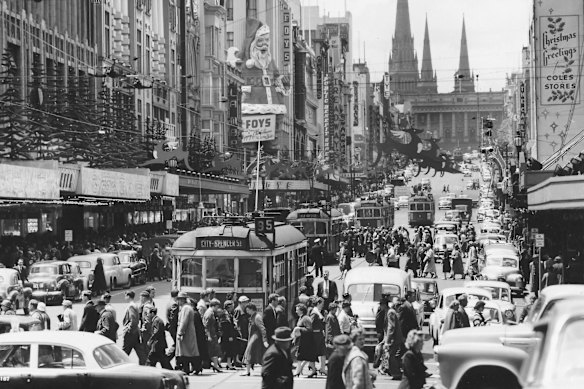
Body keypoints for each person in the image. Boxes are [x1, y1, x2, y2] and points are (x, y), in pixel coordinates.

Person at [176, 292, 200, 374]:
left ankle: (190, 368)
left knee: (186, 352)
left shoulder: (185, 308)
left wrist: (180, 333)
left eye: (179, 300)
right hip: (189, 332)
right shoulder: (188, 308)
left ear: (182, 300)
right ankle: (194, 368)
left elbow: (183, 321)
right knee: (189, 352)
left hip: (186, 334)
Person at [242, 303, 268, 376]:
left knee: (249, 353)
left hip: (255, 338)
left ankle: (248, 371)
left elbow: (262, 329)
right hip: (253, 337)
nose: (247, 311)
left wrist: (265, 340)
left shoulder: (257, 317)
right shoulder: (253, 316)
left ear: (251, 309)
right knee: (253, 354)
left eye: (248, 310)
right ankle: (248, 370)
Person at [293, 303, 317, 378]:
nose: (296, 311)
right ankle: (314, 371)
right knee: (310, 357)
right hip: (302, 340)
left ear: (302, 310)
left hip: (307, 341)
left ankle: (297, 371)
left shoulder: (306, 318)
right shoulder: (300, 318)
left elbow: (309, 329)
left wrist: (299, 329)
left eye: (297, 310)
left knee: (301, 356)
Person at [122, 290, 146, 364]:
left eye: (125, 295)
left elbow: (133, 319)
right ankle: (144, 365)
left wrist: (129, 330)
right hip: (135, 332)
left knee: (124, 353)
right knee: (140, 352)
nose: (125, 297)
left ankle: (120, 365)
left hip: (131, 333)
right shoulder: (134, 305)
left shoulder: (131, 306)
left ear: (128, 296)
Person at [384, 298, 404, 380]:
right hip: (395, 337)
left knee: (391, 356)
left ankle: (396, 373)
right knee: (392, 355)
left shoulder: (390, 312)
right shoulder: (391, 312)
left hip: (394, 338)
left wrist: (388, 341)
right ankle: (393, 371)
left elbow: (391, 327)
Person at [203, 299, 223, 372]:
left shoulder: (210, 313)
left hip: (212, 333)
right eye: (217, 307)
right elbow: (206, 326)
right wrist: (208, 336)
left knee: (214, 350)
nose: (217, 309)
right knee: (213, 350)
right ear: (214, 306)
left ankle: (215, 365)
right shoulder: (209, 313)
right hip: (210, 334)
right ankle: (215, 365)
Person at [311, 297, 328, 375]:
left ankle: (322, 368)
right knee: (314, 353)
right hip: (315, 336)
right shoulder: (314, 313)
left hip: (320, 335)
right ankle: (313, 369)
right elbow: (311, 324)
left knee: (323, 352)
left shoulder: (321, 312)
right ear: (318, 303)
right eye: (322, 304)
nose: (323, 305)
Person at [219, 301, 237, 370]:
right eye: (232, 306)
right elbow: (225, 326)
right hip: (226, 335)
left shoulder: (229, 314)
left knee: (228, 350)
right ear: (228, 306)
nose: (233, 307)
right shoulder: (224, 314)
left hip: (229, 334)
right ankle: (226, 363)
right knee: (227, 349)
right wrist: (229, 336)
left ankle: (223, 362)